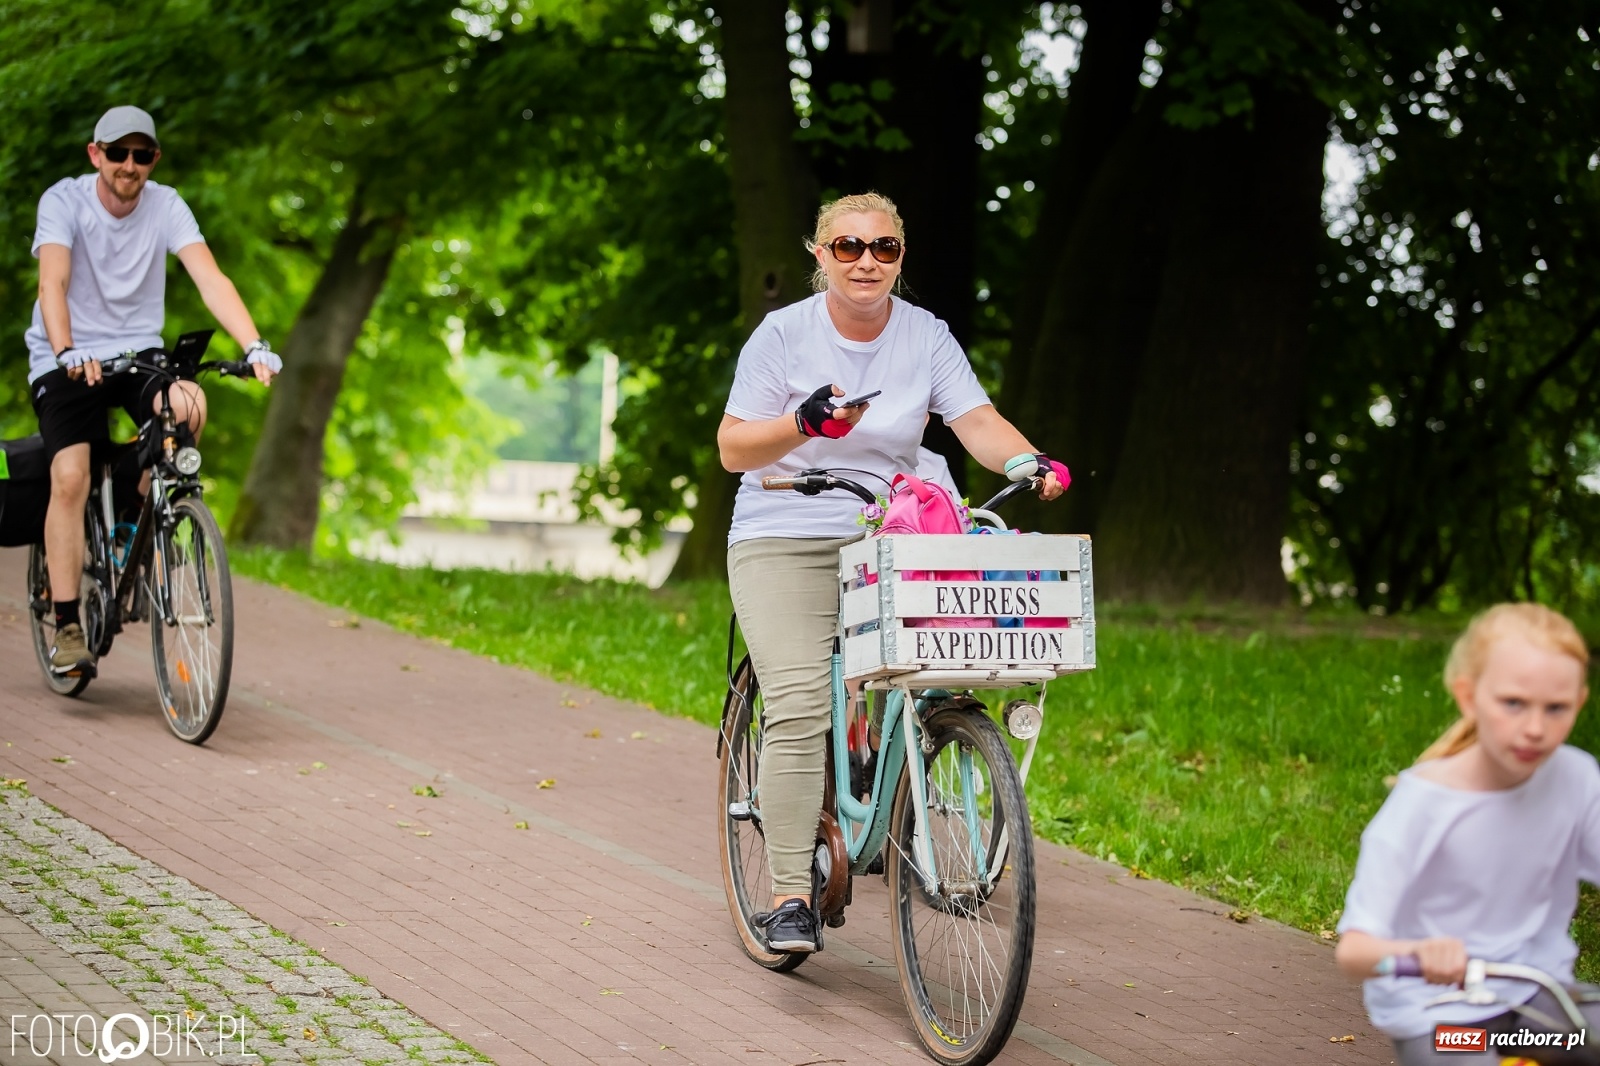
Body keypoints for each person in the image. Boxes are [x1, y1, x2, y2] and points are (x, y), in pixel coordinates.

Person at [717, 191, 1069, 952]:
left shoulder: (925, 336)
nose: (866, 261)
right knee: (804, 703)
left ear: (900, 258)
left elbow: (973, 418)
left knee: (933, 672)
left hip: (891, 532)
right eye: (847, 247)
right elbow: (734, 449)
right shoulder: (782, 336)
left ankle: (893, 769)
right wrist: (803, 423)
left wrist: (1023, 459)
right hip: (785, 531)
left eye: (882, 248)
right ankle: (787, 894)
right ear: (820, 255)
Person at [26, 105, 280, 677]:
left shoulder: (166, 205)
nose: (129, 165)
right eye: (118, 153)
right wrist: (66, 349)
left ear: (153, 160)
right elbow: (53, 281)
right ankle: (67, 624)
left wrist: (255, 344)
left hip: (137, 350)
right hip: (66, 356)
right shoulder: (63, 201)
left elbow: (211, 278)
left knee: (189, 402)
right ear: (97, 154)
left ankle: (130, 516)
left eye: (142, 155)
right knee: (70, 476)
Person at [1334, 603, 1596, 1064]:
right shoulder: (1422, 805)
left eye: (1556, 708)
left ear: (1579, 703)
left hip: (1533, 1005)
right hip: (1444, 1020)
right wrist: (1418, 952)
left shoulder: (1576, 778)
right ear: (1469, 697)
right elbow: (1354, 952)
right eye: (1513, 703)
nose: (1535, 728)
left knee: (1585, 1042)